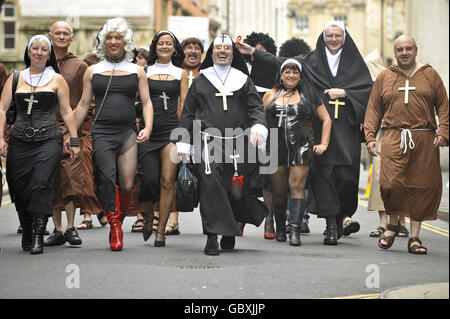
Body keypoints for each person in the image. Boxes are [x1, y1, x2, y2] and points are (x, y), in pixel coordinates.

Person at [237, 21, 373, 245]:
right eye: (329, 35)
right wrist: (253, 53)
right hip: (319, 130)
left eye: (337, 36)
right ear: (323, 37)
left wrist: (346, 93)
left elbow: (367, 90)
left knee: (347, 177)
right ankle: (332, 222)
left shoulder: (356, 64)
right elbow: (284, 64)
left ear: (345, 38)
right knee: (325, 174)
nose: (333, 39)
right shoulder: (310, 61)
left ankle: (342, 216)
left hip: (345, 129)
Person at [177, 34, 268, 256]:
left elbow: (255, 107)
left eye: (227, 48)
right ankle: (211, 236)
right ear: (212, 52)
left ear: (232, 53)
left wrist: (259, 126)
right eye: (218, 48)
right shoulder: (201, 80)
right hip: (207, 141)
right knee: (210, 188)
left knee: (234, 189)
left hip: (238, 142)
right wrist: (183, 143)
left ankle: (229, 230)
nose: (222, 51)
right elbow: (188, 112)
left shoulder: (243, 80)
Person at [73, 17, 153, 251]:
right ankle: (115, 225)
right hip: (102, 132)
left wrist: (147, 127)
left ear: (126, 41)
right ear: (103, 41)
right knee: (106, 177)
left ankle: (118, 215)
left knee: (127, 184)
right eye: (109, 37)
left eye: (118, 37)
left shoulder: (137, 71)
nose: (114, 41)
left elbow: (147, 103)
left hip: (128, 132)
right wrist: (71, 133)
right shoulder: (92, 71)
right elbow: (82, 105)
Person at [364, 34, 449, 255]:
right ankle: (393, 223)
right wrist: (371, 137)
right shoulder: (385, 76)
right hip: (393, 136)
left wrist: (444, 131)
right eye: (400, 49)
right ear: (395, 52)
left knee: (421, 186)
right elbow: (373, 109)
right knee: (389, 184)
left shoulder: (430, 75)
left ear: (415, 50)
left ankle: (414, 237)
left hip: (424, 138)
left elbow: (443, 105)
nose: (404, 53)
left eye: (408, 49)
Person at [0, 35, 80, 254]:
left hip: (48, 138)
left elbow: (66, 111)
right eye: (34, 48)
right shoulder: (15, 78)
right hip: (19, 139)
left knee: (41, 184)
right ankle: (27, 230)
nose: (38, 52)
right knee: (19, 187)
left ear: (49, 53)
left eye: (44, 49)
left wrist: (73, 140)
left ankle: (38, 234)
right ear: (28, 52)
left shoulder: (56, 79)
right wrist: (0, 138)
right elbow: (2, 108)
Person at [263, 58, 331, 246]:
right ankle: (280, 226)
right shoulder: (270, 95)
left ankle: (295, 231)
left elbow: (326, 119)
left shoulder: (309, 95)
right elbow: (260, 120)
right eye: (287, 71)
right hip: (275, 147)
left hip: (301, 146)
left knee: (297, 186)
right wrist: (260, 141)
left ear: (300, 76)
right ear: (281, 75)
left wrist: (323, 144)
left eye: (295, 72)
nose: (291, 75)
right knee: (278, 190)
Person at [137, 30, 187, 247]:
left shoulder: (181, 73)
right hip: (149, 132)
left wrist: (185, 137)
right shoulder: (144, 71)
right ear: (155, 47)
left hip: (171, 133)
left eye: (169, 43)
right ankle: (148, 215)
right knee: (148, 180)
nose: (165, 47)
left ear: (174, 48)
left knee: (167, 182)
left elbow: (185, 107)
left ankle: (161, 231)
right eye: (161, 43)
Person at [43, 21, 87, 247]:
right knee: (50, 179)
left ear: (71, 38)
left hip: (68, 129)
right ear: (50, 36)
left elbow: (84, 102)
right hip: (43, 130)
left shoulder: (79, 66)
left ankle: (71, 227)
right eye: (57, 33)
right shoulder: (41, 64)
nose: (61, 36)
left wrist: (74, 133)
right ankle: (57, 228)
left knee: (70, 177)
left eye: (65, 34)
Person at [364, 49, 409, 238]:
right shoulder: (368, 87)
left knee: (400, 177)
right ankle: (384, 222)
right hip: (380, 136)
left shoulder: (396, 83)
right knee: (379, 179)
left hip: (399, 135)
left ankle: (401, 221)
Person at [75, 52, 106, 230]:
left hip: (103, 137)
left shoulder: (104, 89)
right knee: (86, 178)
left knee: (102, 176)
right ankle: (87, 216)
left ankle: (100, 208)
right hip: (85, 137)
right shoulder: (82, 92)